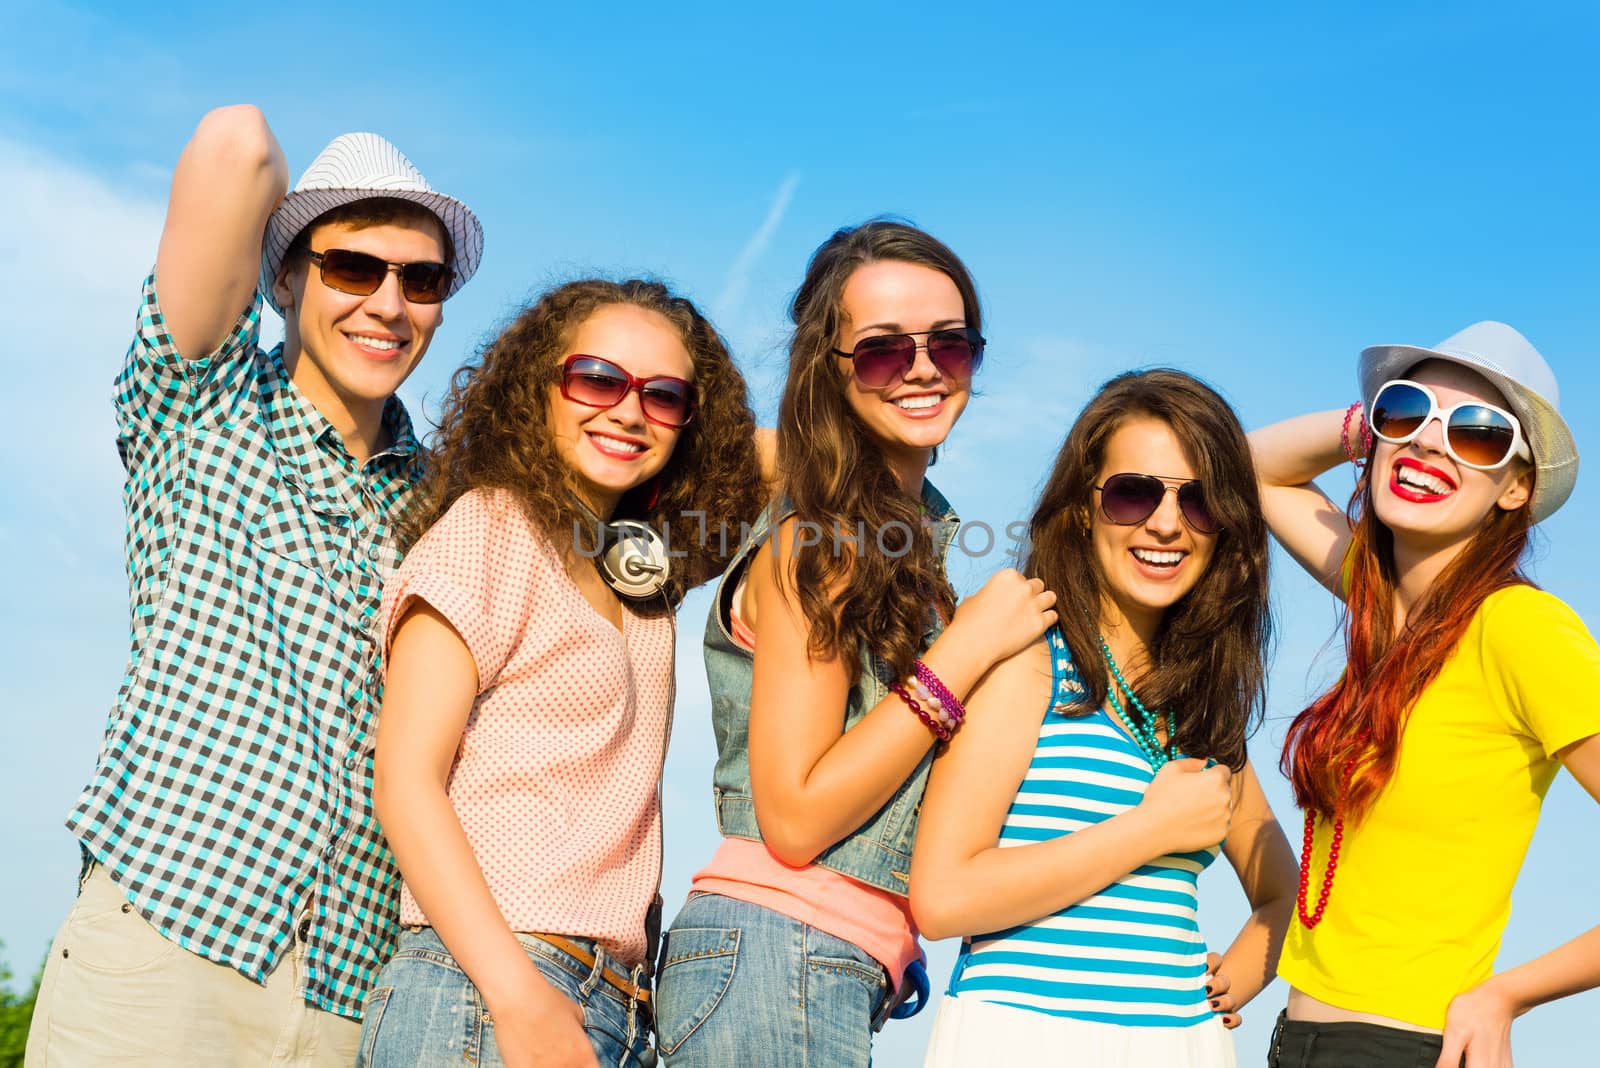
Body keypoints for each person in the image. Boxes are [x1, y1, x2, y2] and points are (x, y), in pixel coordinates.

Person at [25, 106, 483, 1065]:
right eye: (351, 267)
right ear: (284, 277)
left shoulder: (451, 506)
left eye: (422, 278)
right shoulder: (201, 404)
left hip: (356, 989)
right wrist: (289, 230)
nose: (388, 304)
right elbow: (236, 144)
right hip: (169, 942)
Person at [653, 220, 1058, 1066]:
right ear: (828, 371)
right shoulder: (823, 542)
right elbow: (795, 818)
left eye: (949, 346)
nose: (920, 368)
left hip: (816, 963)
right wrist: (967, 650)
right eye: (881, 350)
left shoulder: (913, 534)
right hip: (780, 949)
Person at [357, 279, 765, 1068]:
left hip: (616, 1001)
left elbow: (798, 462)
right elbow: (405, 781)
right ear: (536, 386)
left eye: (665, 396)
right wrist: (516, 997)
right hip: (484, 989)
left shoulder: (639, 575)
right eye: (597, 379)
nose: (628, 410)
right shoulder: (491, 528)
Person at [911, 369, 1298, 1067]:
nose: (1166, 522)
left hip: (1183, 1046)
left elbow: (1283, 893)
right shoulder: (1030, 658)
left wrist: (1240, 973)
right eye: (1133, 493)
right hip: (1025, 1035)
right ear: (1083, 508)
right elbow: (942, 897)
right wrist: (1150, 831)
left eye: (1200, 500)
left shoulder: (1204, 706)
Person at [1251, 322, 1600, 1067]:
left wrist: (1510, 994)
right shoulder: (1380, 605)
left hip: (1407, 1047)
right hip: (1297, 1044)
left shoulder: (1519, 628)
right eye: (1411, 411)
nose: (1433, 444)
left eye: (1478, 435)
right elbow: (1247, 467)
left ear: (1516, 490)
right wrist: (1376, 426)